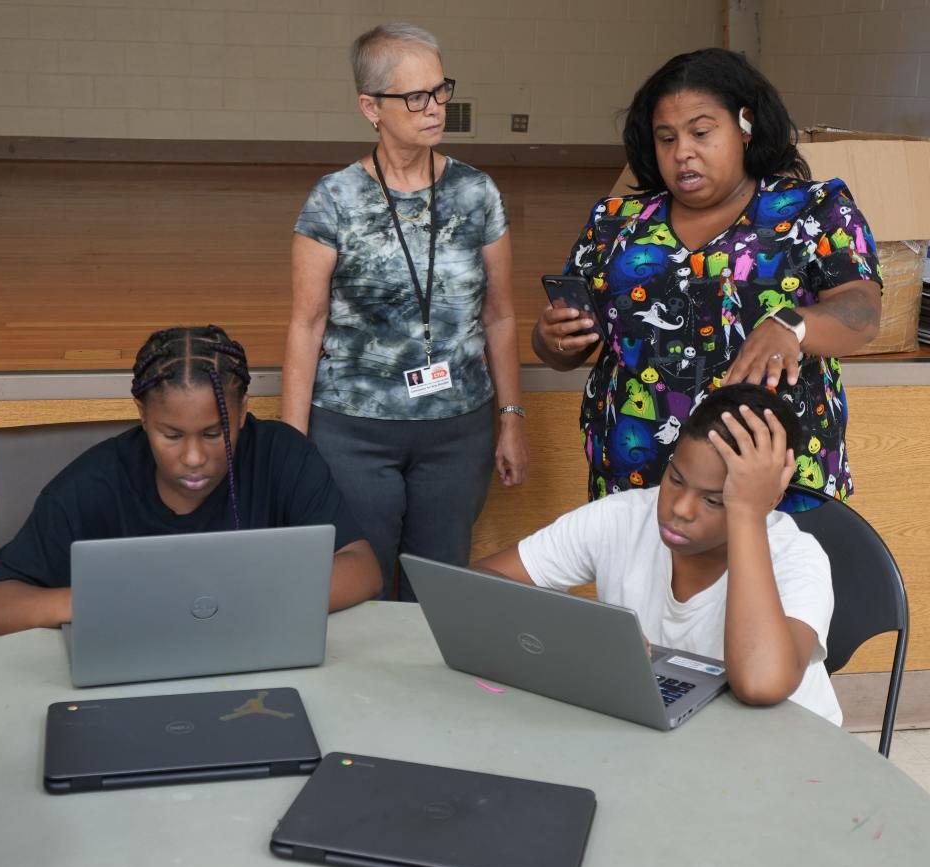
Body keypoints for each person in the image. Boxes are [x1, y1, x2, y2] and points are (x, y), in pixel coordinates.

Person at [532, 48, 881, 509]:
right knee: (643, 584)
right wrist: (551, 339)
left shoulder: (813, 209)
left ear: (745, 125)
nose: (683, 153)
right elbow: (564, 349)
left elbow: (863, 310)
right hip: (637, 475)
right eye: (666, 138)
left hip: (771, 480)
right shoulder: (615, 223)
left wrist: (794, 325)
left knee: (772, 583)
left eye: (700, 132)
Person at [282, 22, 528, 601]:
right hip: (353, 429)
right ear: (371, 107)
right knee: (359, 591)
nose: (435, 107)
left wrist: (512, 417)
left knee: (436, 591)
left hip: (458, 429)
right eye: (415, 97)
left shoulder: (477, 193)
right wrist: (292, 448)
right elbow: (306, 323)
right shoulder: (334, 198)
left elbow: (500, 315)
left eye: (441, 90)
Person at [0, 325, 382, 637]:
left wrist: (232, 602)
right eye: (171, 435)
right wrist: (98, 602)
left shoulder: (283, 456)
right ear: (142, 416)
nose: (193, 458)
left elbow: (362, 569)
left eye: (213, 433)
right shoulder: (93, 483)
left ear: (241, 415)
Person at [474, 384, 841, 724]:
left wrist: (747, 513)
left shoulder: (797, 557)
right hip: (672, 737)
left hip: (786, 755)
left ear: (768, 500)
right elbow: (477, 584)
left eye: (714, 500)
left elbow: (760, 685)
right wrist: (576, 633)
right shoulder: (622, 518)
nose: (680, 508)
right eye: (676, 479)